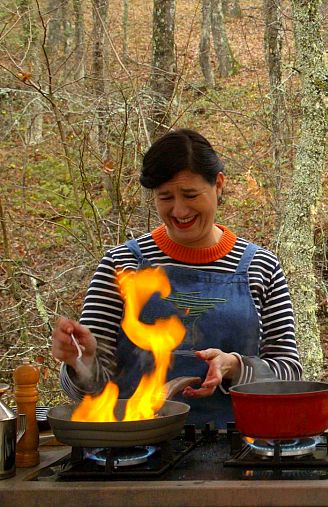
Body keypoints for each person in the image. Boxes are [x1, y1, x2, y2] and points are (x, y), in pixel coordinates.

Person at [51, 129, 302, 427]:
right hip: (136, 448)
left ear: (218, 184)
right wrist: (81, 361)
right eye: (165, 197)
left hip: (238, 449)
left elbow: (289, 373)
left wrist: (234, 366)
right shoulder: (121, 265)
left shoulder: (261, 266)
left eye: (190, 195)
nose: (179, 210)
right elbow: (89, 392)